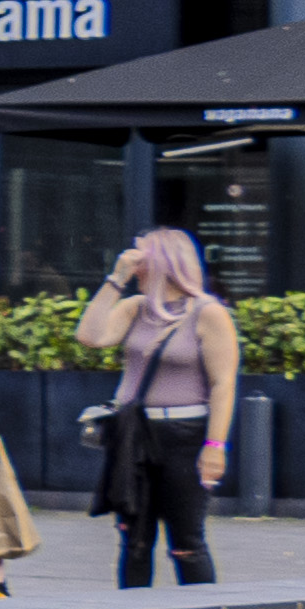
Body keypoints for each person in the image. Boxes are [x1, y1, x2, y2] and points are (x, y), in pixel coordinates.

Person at [76, 228, 240, 588]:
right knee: (134, 540)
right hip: (133, 433)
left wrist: (215, 447)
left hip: (184, 434)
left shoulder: (208, 314)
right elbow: (89, 336)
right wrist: (116, 278)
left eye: (140, 255)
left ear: (163, 261)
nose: (134, 261)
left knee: (186, 542)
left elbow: (223, 384)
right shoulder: (135, 308)